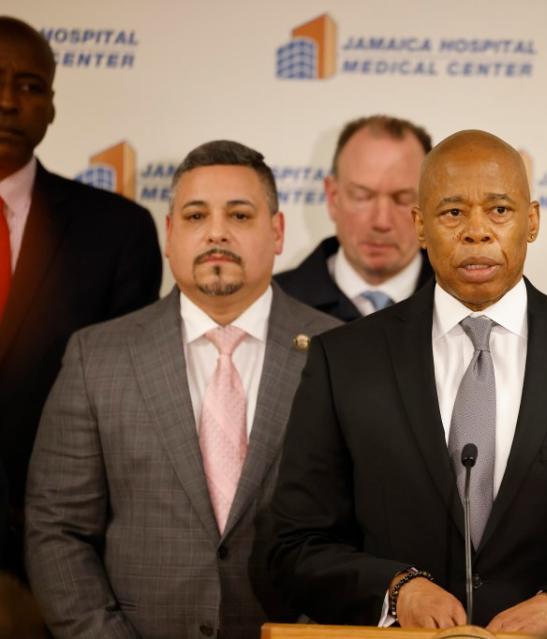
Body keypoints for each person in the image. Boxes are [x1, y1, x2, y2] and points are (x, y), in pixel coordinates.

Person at [266, 130, 547, 634]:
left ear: (531, 221)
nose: (476, 232)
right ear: (420, 227)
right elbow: (294, 546)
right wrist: (396, 590)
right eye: (452, 214)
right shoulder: (345, 360)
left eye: (499, 210)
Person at [25, 140, 340, 638]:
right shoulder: (97, 356)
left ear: (277, 232)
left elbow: (364, 528)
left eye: (239, 216)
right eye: (195, 217)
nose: (216, 233)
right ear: (170, 234)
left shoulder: (341, 351)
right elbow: (57, 530)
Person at [0, 16, 161, 580]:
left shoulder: (116, 231)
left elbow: (125, 409)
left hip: (58, 554)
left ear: (51, 105)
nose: (7, 101)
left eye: (29, 86)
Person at [275, 115, 434, 320]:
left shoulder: (467, 303)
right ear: (333, 198)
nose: (381, 222)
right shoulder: (273, 304)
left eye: (402, 199)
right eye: (362, 197)